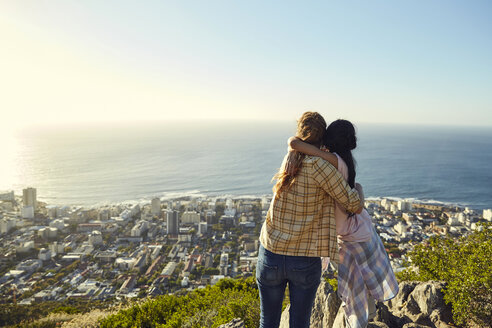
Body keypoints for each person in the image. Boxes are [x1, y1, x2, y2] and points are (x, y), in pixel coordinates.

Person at [257, 112, 365, 328]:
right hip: (304, 259)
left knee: (267, 321)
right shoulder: (321, 166)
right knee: (299, 322)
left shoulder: (290, 157)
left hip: (271, 252)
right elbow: (354, 204)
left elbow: (293, 144)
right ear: (322, 136)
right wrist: (360, 189)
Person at [288, 119, 399, 328]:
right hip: (359, 232)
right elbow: (356, 189)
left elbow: (294, 144)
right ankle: (365, 317)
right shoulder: (346, 161)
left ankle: (359, 322)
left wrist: (311, 141)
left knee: (352, 291)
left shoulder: (333, 160)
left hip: (349, 238)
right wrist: (359, 192)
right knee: (358, 288)